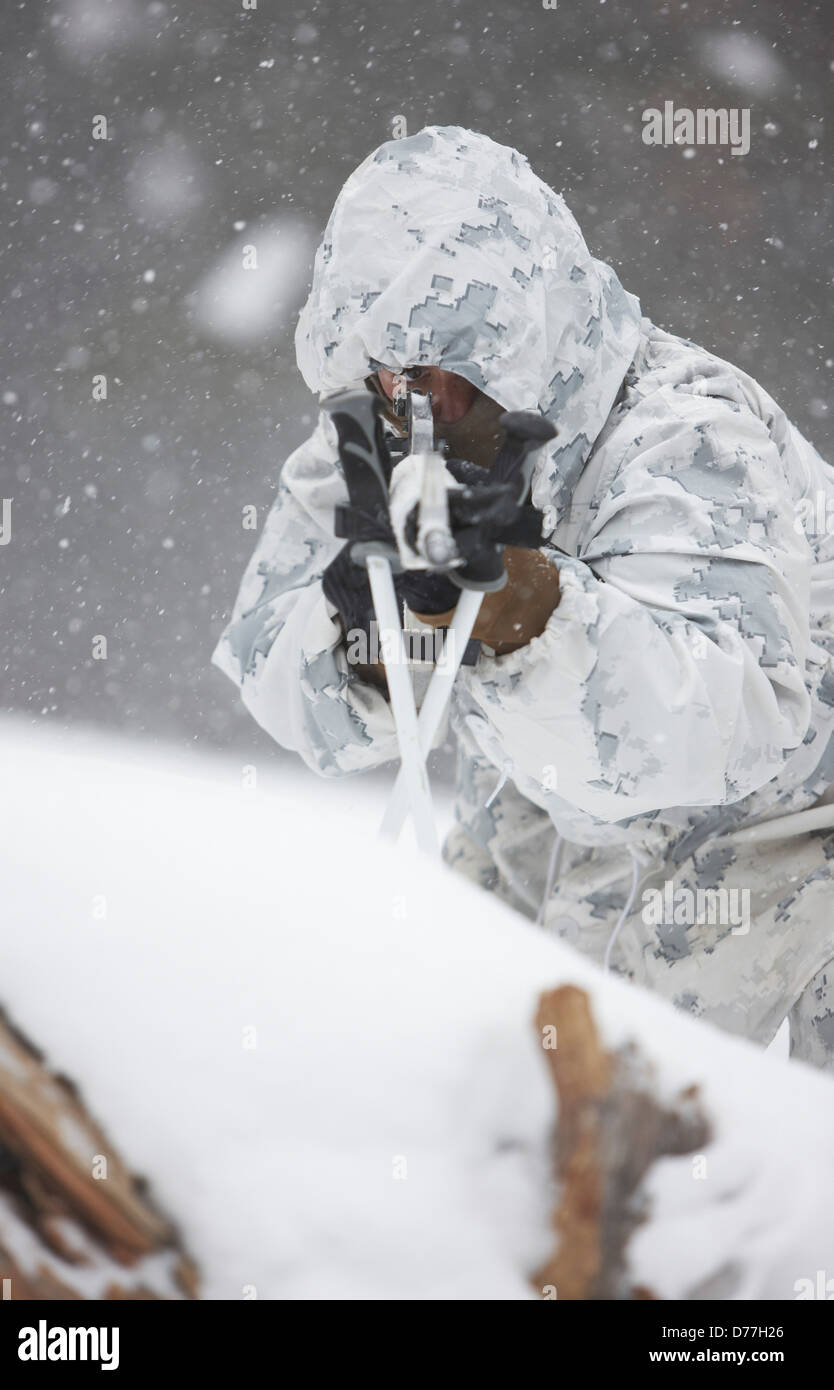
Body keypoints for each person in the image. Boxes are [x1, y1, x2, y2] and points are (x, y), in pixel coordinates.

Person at [213, 126, 834, 1071]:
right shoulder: (380, 432)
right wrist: (372, 634)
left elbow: (709, 732)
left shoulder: (685, 432)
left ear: (521, 334)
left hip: (787, 835)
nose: (406, 397)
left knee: (722, 1156)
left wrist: (523, 608)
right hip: (552, 817)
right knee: (473, 1100)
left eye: (437, 368)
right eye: (383, 367)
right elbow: (286, 686)